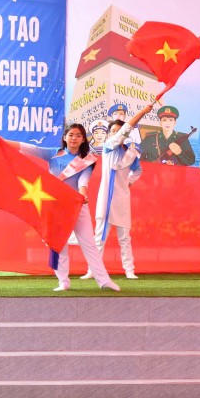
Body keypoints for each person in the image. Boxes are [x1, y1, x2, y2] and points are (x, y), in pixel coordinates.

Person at [49, 123, 119, 292]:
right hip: (56, 206)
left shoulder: (87, 160)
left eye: (78, 135)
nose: (74, 138)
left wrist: (82, 195)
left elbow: (83, 181)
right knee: (59, 245)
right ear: (65, 137)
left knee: (89, 244)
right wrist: (1, 141)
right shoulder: (52, 154)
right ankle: (63, 281)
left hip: (77, 205)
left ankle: (104, 281)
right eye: (71, 135)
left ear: (83, 140)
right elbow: (27, 148)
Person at [87, 102, 151, 280]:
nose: (116, 134)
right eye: (113, 131)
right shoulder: (108, 146)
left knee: (124, 238)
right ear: (109, 134)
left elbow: (137, 171)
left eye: (119, 131)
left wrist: (128, 182)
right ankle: (93, 269)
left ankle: (129, 270)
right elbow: (124, 131)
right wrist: (142, 112)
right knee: (99, 236)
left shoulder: (130, 153)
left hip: (122, 199)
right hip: (105, 199)